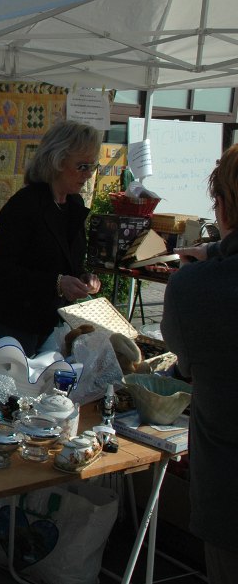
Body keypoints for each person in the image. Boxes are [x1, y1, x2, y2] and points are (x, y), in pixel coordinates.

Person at [161, 145, 238, 584]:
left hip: (229, 495)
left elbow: (186, 368)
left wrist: (208, 266)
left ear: (222, 207)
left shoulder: (195, 289)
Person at [0, 120, 102, 356]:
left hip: (53, 321)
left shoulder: (73, 204)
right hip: (15, 321)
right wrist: (57, 283)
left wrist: (84, 278)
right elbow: (1, 270)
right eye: (82, 166)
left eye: (92, 166)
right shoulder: (25, 204)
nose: (88, 174)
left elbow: (67, 260)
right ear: (57, 161)